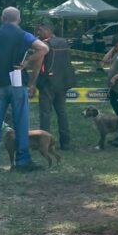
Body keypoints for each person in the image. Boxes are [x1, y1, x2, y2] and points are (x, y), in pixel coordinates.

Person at [0, 7, 49, 172]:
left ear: (2, 18)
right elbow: (44, 48)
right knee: (21, 122)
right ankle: (22, 161)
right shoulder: (23, 35)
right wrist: (28, 62)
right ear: (18, 19)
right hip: (18, 83)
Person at [34, 21, 76, 150]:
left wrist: (33, 82)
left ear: (46, 30)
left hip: (48, 84)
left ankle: (44, 143)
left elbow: (38, 66)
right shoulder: (64, 42)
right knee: (62, 112)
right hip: (63, 83)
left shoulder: (44, 45)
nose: (37, 33)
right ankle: (66, 142)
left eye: (39, 30)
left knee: (45, 114)